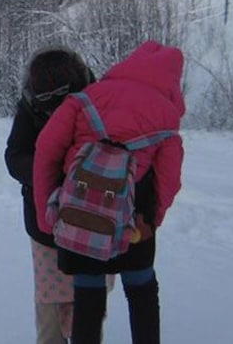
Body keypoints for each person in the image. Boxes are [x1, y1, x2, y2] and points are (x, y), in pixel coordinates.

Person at [33, 41, 185, 344]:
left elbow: (46, 151)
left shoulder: (86, 98)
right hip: (135, 213)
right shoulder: (167, 118)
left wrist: (46, 213)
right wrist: (151, 222)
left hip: (82, 209)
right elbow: (169, 181)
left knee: (88, 293)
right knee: (142, 291)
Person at [5, 46, 94, 344]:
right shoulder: (31, 104)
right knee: (50, 308)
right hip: (46, 224)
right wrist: (49, 169)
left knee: (89, 304)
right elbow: (14, 156)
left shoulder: (97, 99)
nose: (55, 111)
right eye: (47, 102)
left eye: (62, 100)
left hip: (93, 222)